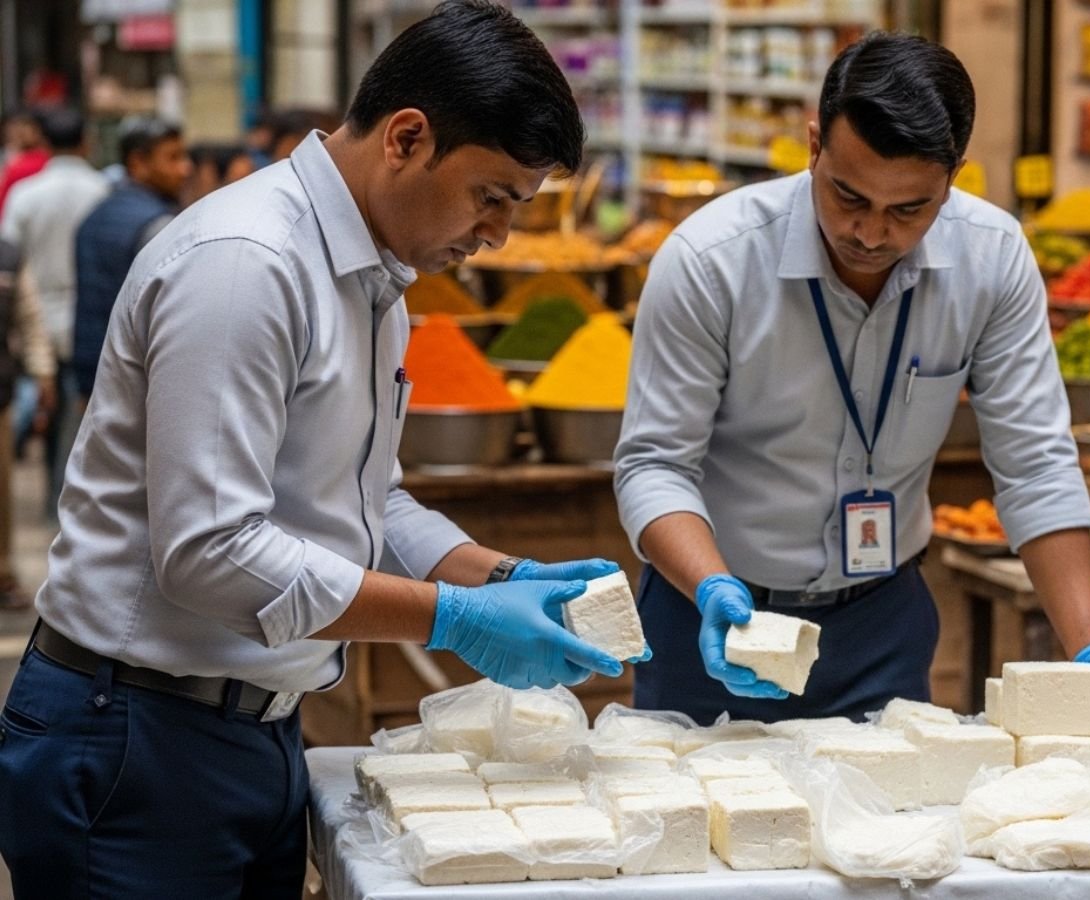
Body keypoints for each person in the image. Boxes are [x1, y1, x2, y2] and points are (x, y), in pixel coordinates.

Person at [0, 3, 630, 896]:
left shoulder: (376, 280)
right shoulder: (247, 264)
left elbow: (368, 500)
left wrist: (494, 574)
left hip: (250, 727)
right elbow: (209, 552)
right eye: (491, 197)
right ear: (407, 137)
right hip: (136, 732)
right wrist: (449, 619)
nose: (498, 235)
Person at [615, 32, 1090, 727]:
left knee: (895, 828)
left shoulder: (991, 258)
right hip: (713, 623)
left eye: (909, 210)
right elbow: (654, 465)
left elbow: (1035, 465)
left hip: (881, 626)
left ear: (954, 176)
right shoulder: (709, 260)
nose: (870, 233)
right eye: (848, 196)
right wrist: (713, 585)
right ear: (814, 144)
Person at [0, 107, 107, 520]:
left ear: (44, 143)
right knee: (86, 419)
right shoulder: (102, 191)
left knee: (51, 411)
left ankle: (52, 499)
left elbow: (9, 261)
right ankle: (74, 504)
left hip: (39, 316)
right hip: (91, 317)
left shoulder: (26, 194)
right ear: (86, 142)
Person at [72, 117, 192, 402]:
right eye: (173, 158)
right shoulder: (159, 226)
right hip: (136, 378)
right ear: (138, 163)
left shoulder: (96, 213)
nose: (185, 168)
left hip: (93, 367)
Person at [0, 239, 57, 610]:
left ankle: (3, 574)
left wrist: (43, 373)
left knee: (1, 492)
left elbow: (29, 318)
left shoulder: (8, 254)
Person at [0, 111, 48, 217]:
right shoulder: (9, 157)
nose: (18, 133)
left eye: (23, 129)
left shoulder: (41, 161)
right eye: (14, 129)